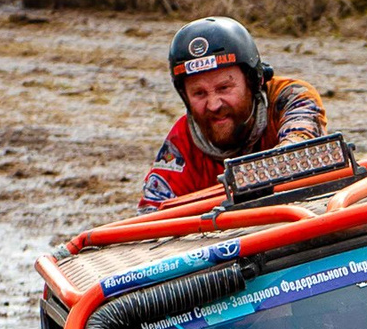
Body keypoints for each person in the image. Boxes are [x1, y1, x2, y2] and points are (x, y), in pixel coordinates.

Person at [139, 16, 328, 210]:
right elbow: (149, 214)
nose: (213, 105)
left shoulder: (290, 97)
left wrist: (255, 177)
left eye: (224, 88)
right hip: (226, 233)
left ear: (253, 81)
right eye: (199, 93)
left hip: (301, 213)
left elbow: (299, 146)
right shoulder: (182, 142)